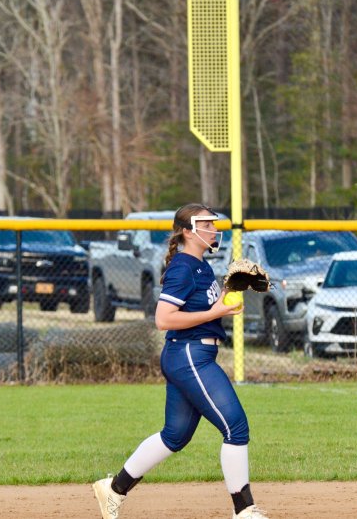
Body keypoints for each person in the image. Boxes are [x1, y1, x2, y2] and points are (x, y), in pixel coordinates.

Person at [93, 203, 269, 519]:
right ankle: (244, 511)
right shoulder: (182, 267)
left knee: (174, 436)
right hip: (190, 354)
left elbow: (201, 305)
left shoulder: (200, 266)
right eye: (207, 225)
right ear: (188, 231)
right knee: (235, 427)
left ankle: (114, 489)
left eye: (214, 224)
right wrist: (216, 312)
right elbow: (164, 319)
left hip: (191, 354)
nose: (214, 229)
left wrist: (229, 290)